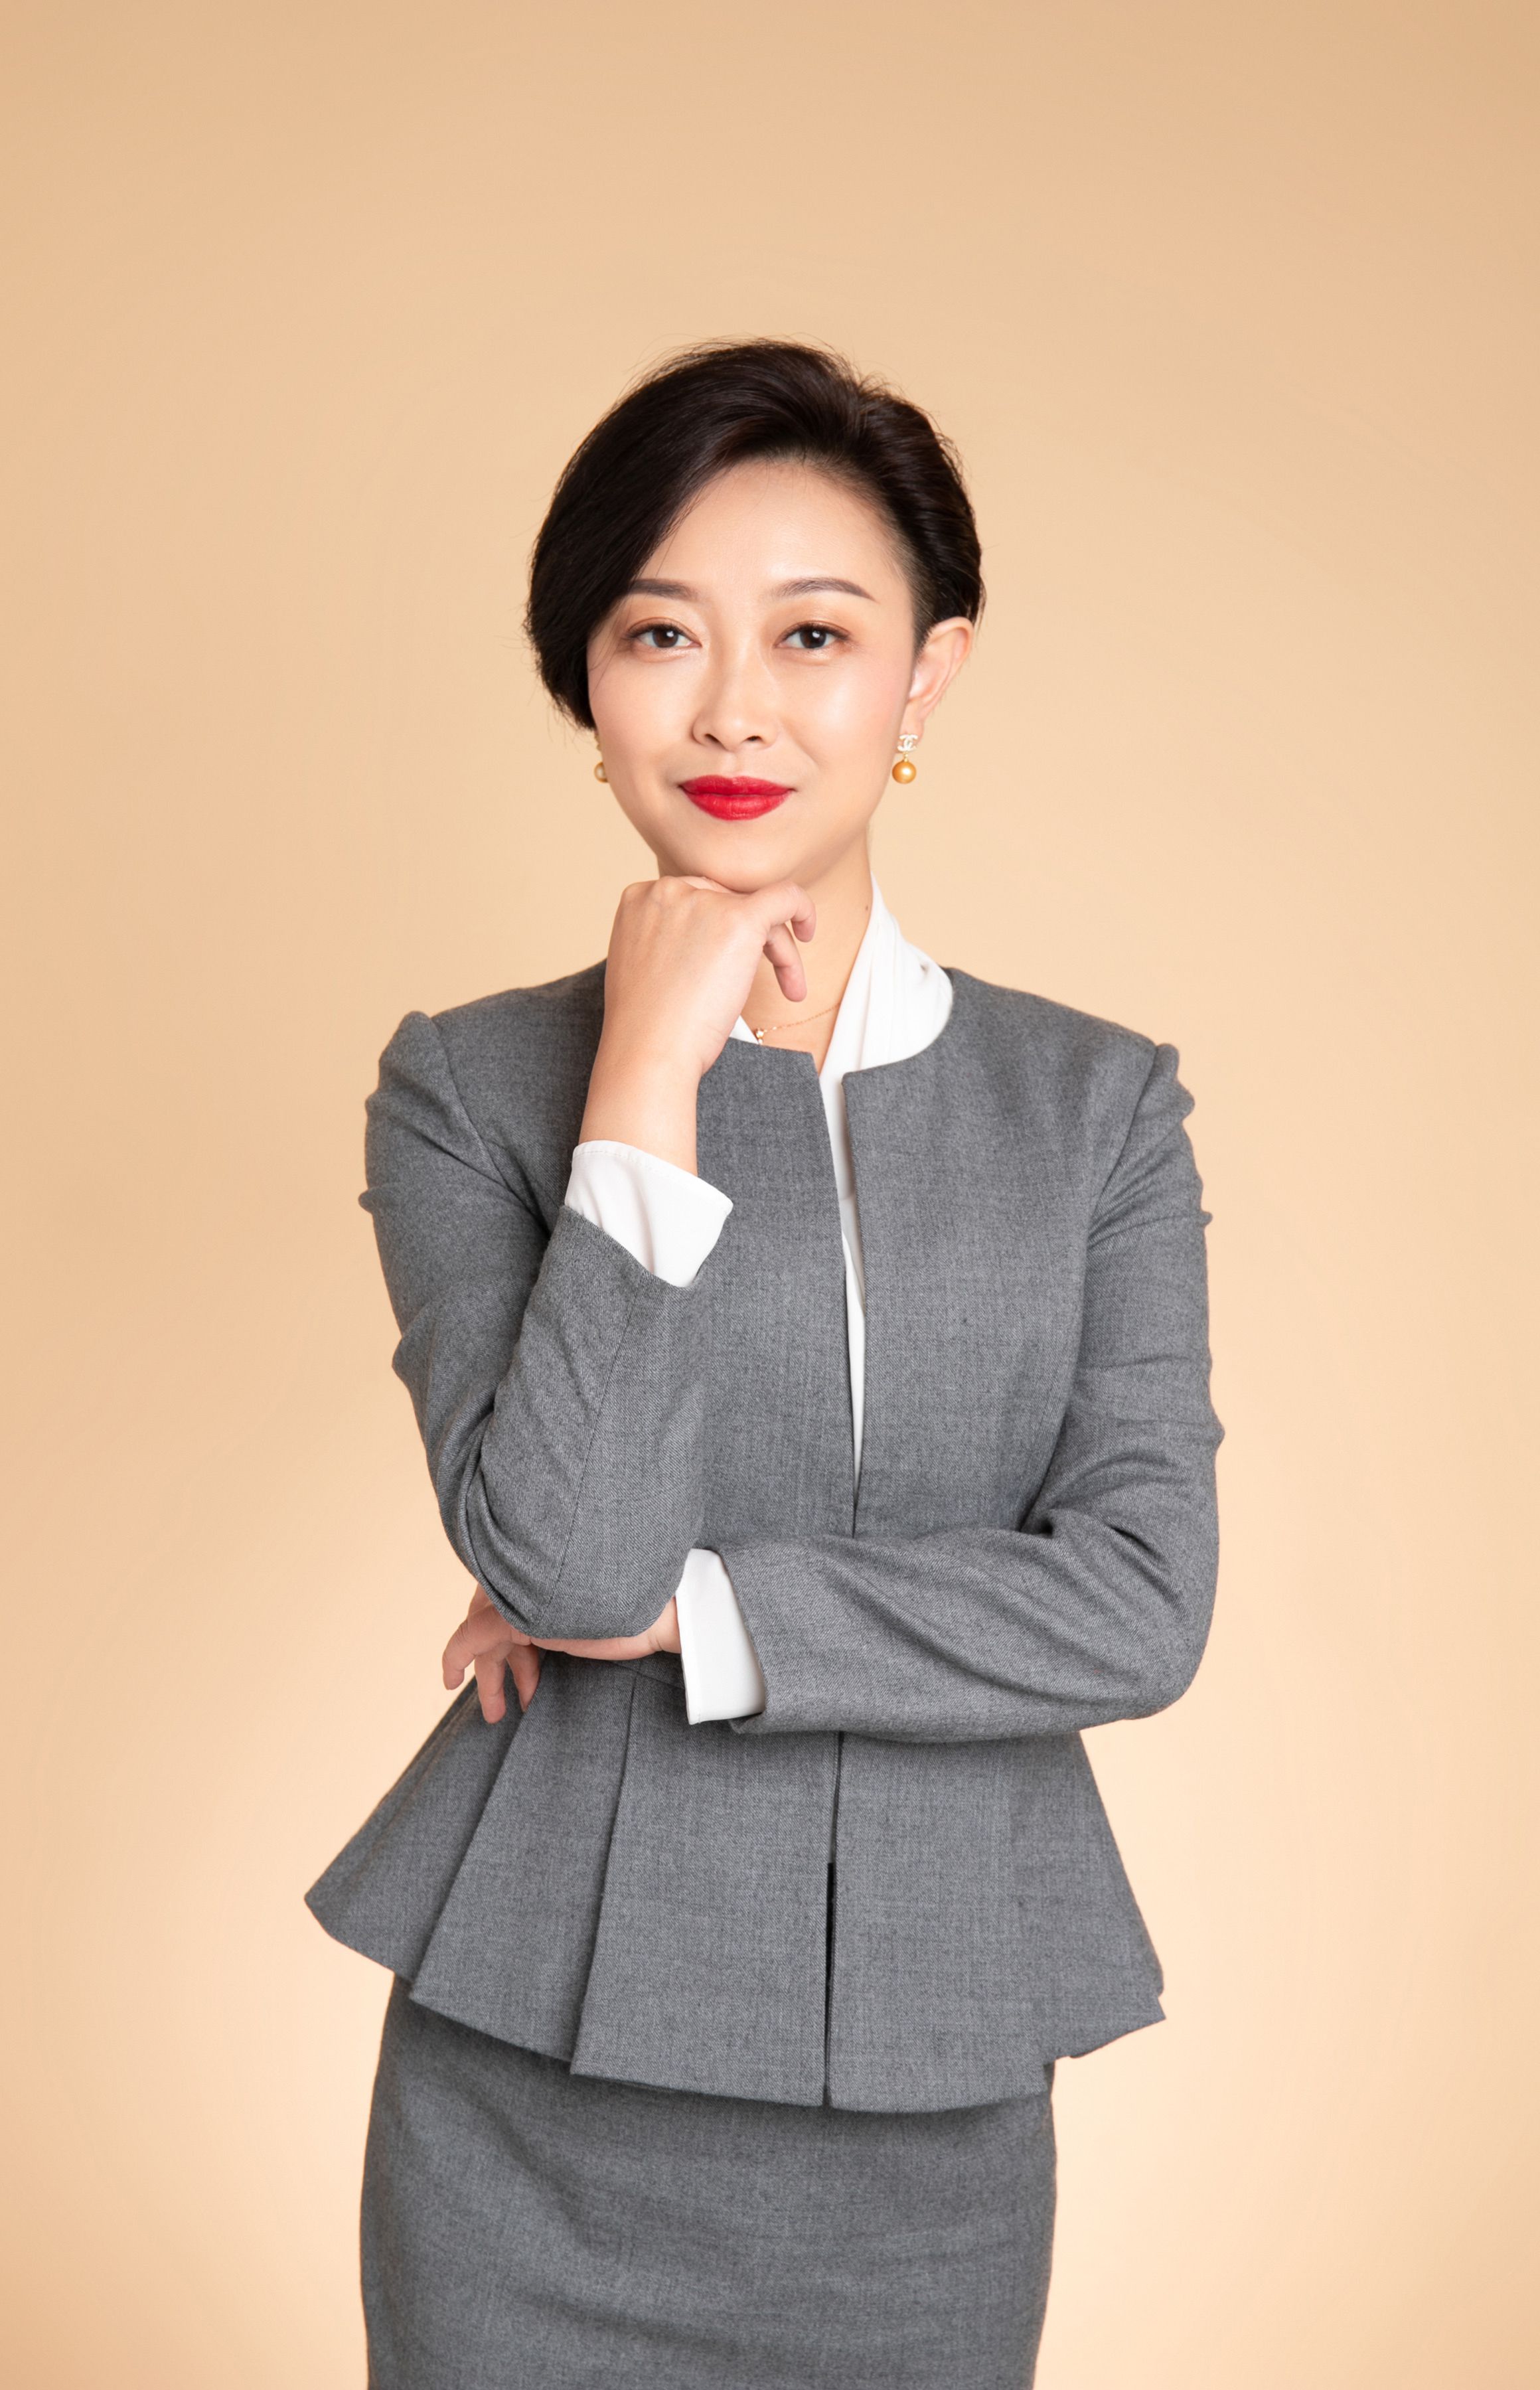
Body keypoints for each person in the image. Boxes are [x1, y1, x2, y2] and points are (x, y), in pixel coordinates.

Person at [306, 339, 1223, 2389]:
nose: (733, 706)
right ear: (587, 684)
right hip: (527, 2113)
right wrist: (647, 1071)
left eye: (815, 634)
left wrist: (691, 1612)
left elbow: (1143, 1607)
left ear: (927, 679)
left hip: (932, 2107)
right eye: (661, 634)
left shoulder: (1095, 1112)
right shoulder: (468, 1087)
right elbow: (566, 1556)